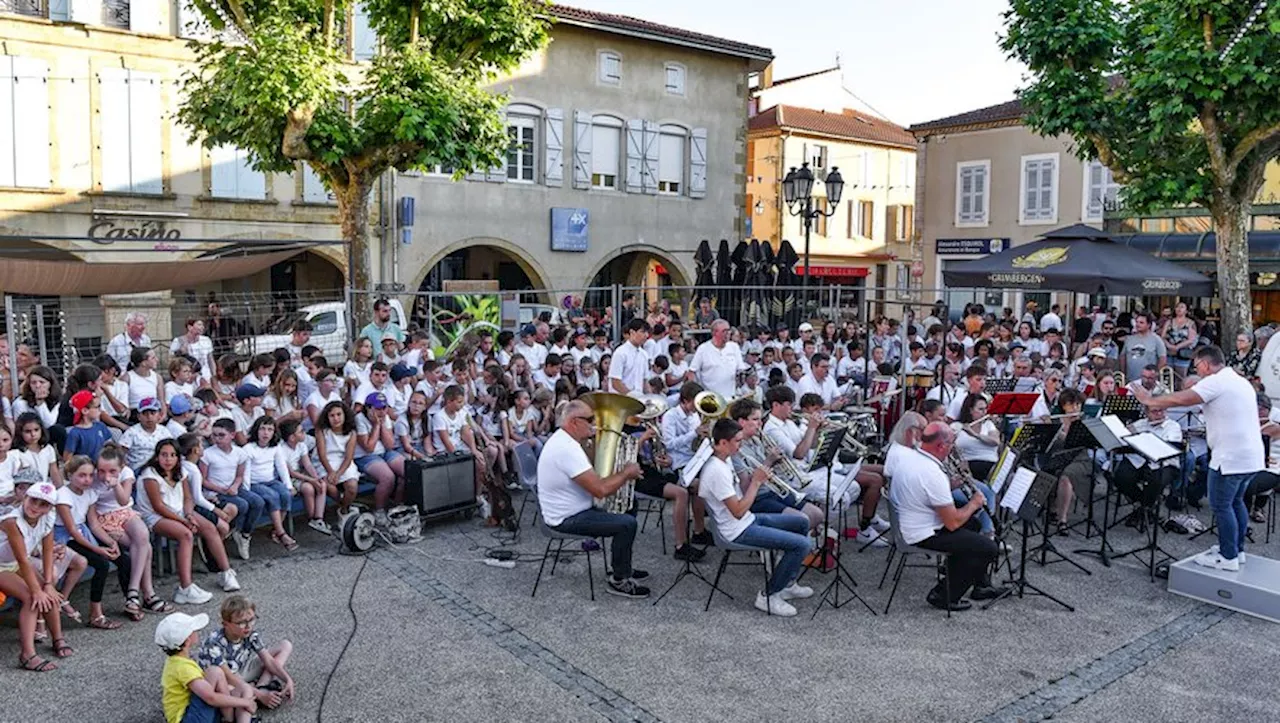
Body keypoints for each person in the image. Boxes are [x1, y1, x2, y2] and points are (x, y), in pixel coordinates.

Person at [1133, 345, 1262, 571]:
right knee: (1236, 502)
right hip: (1250, 455)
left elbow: (1184, 399)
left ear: (1205, 363)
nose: (1197, 371)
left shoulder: (1216, 381)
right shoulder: (1238, 380)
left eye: (1196, 366)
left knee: (1221, 505)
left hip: (1229, 456)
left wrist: (1149, 400)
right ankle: (1236, 550)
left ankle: (1228, 556)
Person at [698, 418, 813, 617]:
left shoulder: (725, 459)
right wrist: (757, 482)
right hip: (736, 531)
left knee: (802, 521)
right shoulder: (716, 470)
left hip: (747, 520)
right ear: (723, 442)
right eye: (737, 441)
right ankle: (768, 595)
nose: (740, 446)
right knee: (802, 545)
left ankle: (787, 583)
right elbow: (738, 511)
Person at [535, 400, 649, 599]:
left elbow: (593, 477)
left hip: (576, 508)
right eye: (589, 420)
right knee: (627, 524)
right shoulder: (566, 449)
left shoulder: (567, 441)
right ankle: (619, 580)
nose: (594, 423)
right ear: (574, 422)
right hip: (566, 518)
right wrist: (625, 474)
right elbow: (600, 490)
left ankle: (621, 567)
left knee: (630, 505)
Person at [889, 423, 1003, 611]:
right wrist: (974, 503)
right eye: (951, 443)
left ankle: (980, 585)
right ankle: (944, 595)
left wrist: (951, 485)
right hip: (923, 534)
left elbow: (925, 491)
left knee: (973, 525)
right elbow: (952, 523)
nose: (953, 447)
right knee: (988, 548)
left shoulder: (913, 457)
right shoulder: (932, 473)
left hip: (913, 522)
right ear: (941, 446)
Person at [139, 440, 239, 602]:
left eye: (173, 455)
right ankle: (185, 588)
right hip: (155, 516)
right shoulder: (150, 475)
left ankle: (226, 573)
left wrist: (189, 515)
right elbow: (158, 507)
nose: (168, 459)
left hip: (180, 512)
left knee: (209, 527)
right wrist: (184, 521)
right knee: (186, 535)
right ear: (157, 457)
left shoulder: (181, 471)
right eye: (164, 455)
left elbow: (187, 497)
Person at [1, 478, 74, 671]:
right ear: (25, 498)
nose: (36, 506)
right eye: (33, 500)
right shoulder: (11, 521)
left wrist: (48, 584)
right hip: (3, 565)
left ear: (50, 508)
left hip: (12, 563)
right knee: (31, 596)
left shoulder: (47, 518)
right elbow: (23, 559)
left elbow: (47, 551)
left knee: (45, 590)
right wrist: (37, 591)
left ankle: (58, 638)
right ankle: (27, 655)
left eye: (43, 504)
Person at [196, 595, 296, 711]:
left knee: (285, 645)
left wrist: (288, 679)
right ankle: (257, 694)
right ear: (225, 624)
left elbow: (268, 660)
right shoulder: (214, 644)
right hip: (225, 680)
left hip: (240, 670)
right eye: (241, 623)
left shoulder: (249, 634)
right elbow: (230, 677)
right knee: (230, 691)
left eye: (251, 620)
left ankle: (261, 686)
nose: (248, 626)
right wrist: (261, 695)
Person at [156, 611, 258, 723]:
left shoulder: (175, 661)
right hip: (188, 719)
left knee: (225, 678)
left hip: (193, 713)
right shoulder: (183, 668)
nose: (196, 631)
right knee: (215, 673)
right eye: (193, 630)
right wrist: (245, 702)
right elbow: (211, 697)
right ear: (188, 639)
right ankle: (233, 718)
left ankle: (229, 718)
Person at [689, 319, 747, 399]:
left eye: (729, 330)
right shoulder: (703, 349)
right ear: (714, 332)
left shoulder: (734, 347)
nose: (727, 334)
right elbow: (692, 371)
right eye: (724, 331)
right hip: (710, 398)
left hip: (730, 397)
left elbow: (741, 369)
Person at [608, 319, 651, 399]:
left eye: (647, 332)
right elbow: (615, 382)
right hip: (620, 399)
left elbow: (645, 381)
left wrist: (650, 398)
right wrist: (630, 395)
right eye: (642, 332)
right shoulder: (620, 353)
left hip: (638, 399)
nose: (646, 335)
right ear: (632, 332)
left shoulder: (644, 354)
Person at [1122, 312, 1168, 382]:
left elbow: (1163, 359)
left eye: (1141, 322)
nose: (1138, 324)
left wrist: (1154, 375)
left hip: (1148, 381)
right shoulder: (1129, 339)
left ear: (1149, 325)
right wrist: (1123, 374)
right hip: (1130, 380)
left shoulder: (1156, 339)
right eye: (1137, 322)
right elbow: (1123, 357)